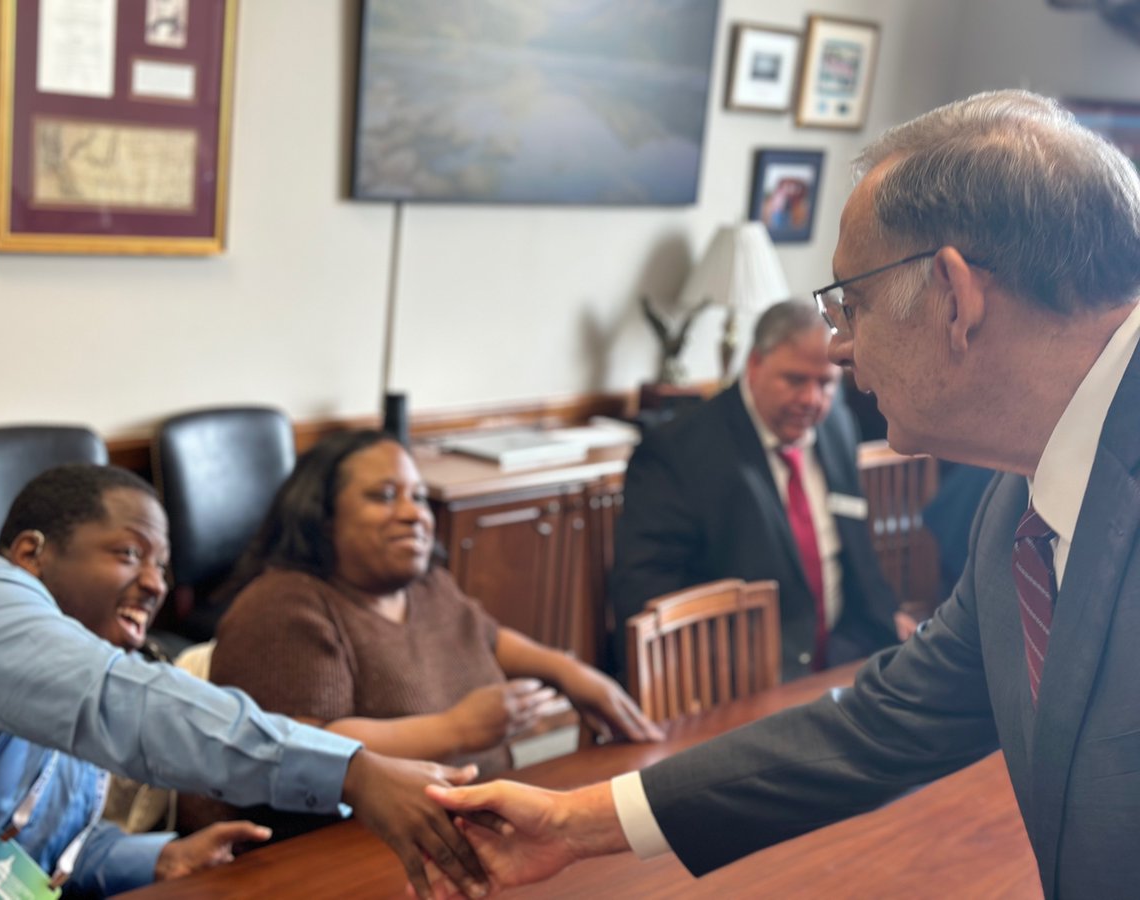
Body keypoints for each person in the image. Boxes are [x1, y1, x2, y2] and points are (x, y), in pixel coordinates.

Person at [423, 89, 1140, 899]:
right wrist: (574, 822)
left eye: (851, 302)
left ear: (954, 294)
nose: (837, 348)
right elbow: (881, 724)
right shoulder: (1017, 508)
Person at [0, 464, 490, 899]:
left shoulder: (77, 649)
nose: (154, 584)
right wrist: (351, 771)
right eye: (130, 554)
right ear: (31, 553)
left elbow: (44, 847)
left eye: (163, 567)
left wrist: (159, 859)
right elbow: (126, 704)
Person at [182, 430, 662, 838]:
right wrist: (457, 730)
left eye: (417, 496)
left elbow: (487, 637)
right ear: (322, 516)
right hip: (333, 853)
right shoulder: (282, 605)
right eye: (384, 496)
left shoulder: (427, 584)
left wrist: (570, 671)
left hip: (461, 829)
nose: (414, 514)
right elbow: (299, 744)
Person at [611, 298, 906, 680]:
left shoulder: (836, 425)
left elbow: (858, 552)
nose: (812, 401)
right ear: (754, 364)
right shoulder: (677, 452)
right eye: (795, 380)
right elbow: (646, 594)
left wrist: (888, 621)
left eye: (825, 384)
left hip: (844, 653)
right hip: (739, 675)